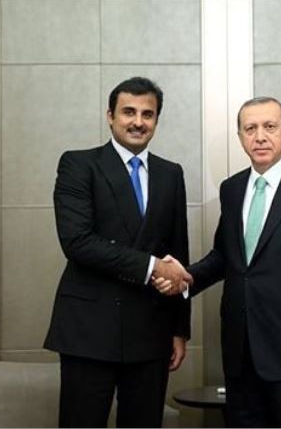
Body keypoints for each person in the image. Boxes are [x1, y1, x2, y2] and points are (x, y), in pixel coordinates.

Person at [156, 96, 281, 427]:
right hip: (242, 353)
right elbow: (225, 256)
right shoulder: (232, 189)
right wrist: (185, 277)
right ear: (240, 137)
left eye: (269, 126)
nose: (260, 136)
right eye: (250, 129)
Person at [44, 76, 191, 428]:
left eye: (147, 114)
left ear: (156, 120)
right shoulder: (78, 164)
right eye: (128, 112)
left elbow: (177, 254)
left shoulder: (171, 174)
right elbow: (78, 242)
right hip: (89, 330)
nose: (138, 122)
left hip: (151, 331)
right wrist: (151, 266)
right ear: (110, 116)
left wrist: (179, 330)